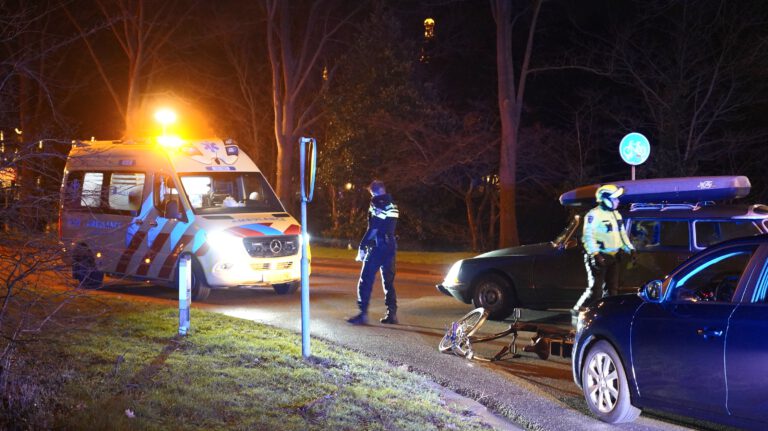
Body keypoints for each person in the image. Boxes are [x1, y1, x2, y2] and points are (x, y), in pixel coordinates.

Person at [573, 184, 635, 324]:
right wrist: (595, 255)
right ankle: (577, 313)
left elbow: (622, 234)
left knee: (612, 290)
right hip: (599, 256)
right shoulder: (593, 214)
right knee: (595, 290)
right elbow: (588, 237)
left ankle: (607, 318)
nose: (618, 201)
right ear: (605, 199)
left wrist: (630, 249)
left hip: (613, 256)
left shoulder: (616, 214)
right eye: (615, 198)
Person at [347, 180, 399, 325]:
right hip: (391, 246)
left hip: (378, 247)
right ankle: (392, 314)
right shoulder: (392, 204)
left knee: (365, 279)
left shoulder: (378, 203)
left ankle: (362, 314)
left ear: (374, 192)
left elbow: (374, 228)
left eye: (371, 194)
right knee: (388, 282)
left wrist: (362, 246)